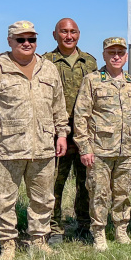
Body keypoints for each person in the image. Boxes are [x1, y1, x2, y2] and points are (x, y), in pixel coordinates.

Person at [0, 21, 70, 260]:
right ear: (10, 41)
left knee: (43, 198)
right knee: (3, 199)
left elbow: (59, 106)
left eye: (32, 39)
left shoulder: (48, 68)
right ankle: (7, 243)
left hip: (43, 146)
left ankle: (38, 239)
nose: (27, 43)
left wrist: (62, 134)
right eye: (21, 39)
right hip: (8, 146)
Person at [74, 37, 131, 252]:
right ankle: (99, 232)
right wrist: (84, 148)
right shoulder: (92, 80)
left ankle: (121, 229)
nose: (116, 56)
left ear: (126, 56)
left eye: (120, 52)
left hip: (126, 149)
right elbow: (81, 116)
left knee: (123, 192)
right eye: (112, 52)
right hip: (99, 150)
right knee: (99, 193)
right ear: (104, 55)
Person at [42, 18, 98, 244]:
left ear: (79, 34)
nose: (68, 36)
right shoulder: (45, 61)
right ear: (54, 34)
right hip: (56, 134)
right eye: (63, 32)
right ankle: (54, 227)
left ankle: (84, 225)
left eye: (73, 32)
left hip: (84, 133)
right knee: (54, 183)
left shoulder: (90, 62)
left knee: (85, 183)